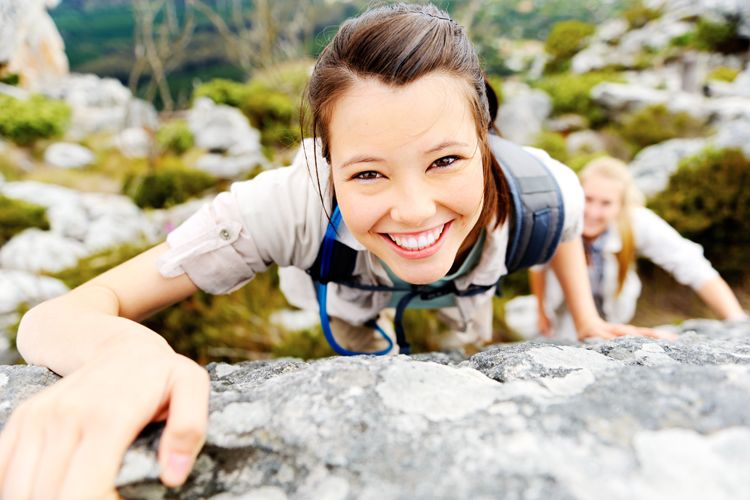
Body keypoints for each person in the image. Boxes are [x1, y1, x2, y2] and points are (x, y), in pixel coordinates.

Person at [0, 4, 672, 497]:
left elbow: (559, 237)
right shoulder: (286, 205)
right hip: (353, 286)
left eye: (445, 161)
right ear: (327, 162)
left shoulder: (543, 192)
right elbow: (52, 317)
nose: (412, 208)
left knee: (468, 339)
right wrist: (129, 354)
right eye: (368, 173)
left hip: (473, 283)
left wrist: (585, 323)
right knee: (363, 346)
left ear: (487, 142)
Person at [529, 156, 747, 340]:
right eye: (588, 199)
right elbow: (537, 267)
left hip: (613, 313)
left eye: (606, 203)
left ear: (622, 205)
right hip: (561, 314)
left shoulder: (636, 222)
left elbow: (691, 264)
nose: (593, 212)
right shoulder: (562, 217)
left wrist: (736, 321)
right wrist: (540, 310)